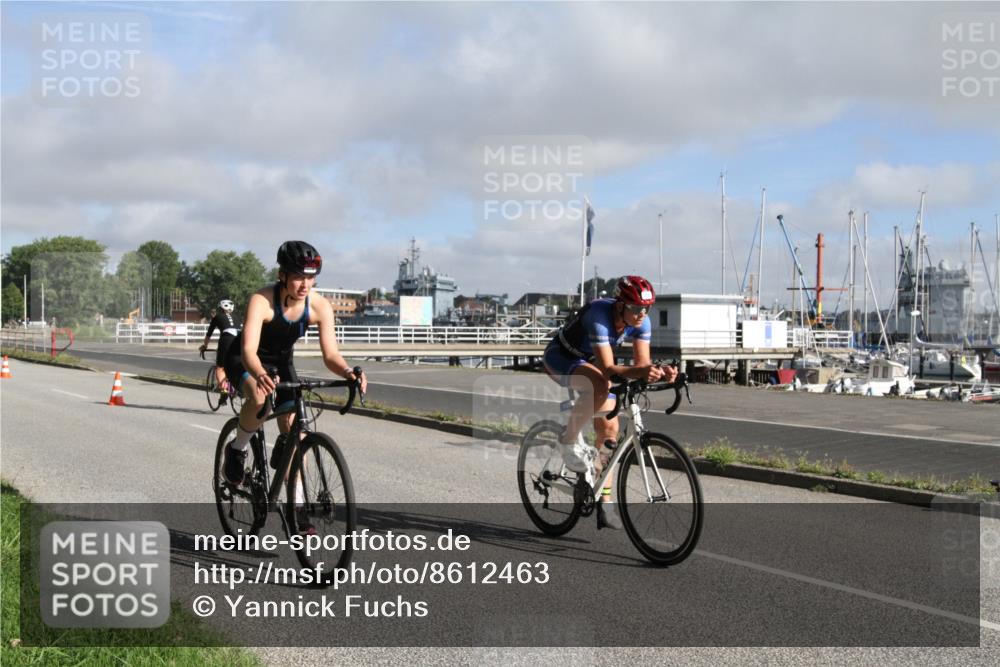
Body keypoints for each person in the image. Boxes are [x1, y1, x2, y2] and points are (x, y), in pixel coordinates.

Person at [221, 241, 366, 530]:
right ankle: (237, 449)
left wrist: (349, 372)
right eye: (299, 276)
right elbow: (249, 350)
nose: (305, 284)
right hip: (246, 359)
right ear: (283, 275)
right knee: (259, 399)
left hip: (282, 362)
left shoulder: (320, 305)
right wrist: (259, 374)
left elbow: (331, 355)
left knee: (297, 435)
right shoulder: (262, 300)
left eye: (311, 277)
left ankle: (296, 506)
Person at [542, 275, 676, 530]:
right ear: (619, 305)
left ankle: (604, 500)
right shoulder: (599, 315)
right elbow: (608, 368)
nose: (641, 314)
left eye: (646, 308)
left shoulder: (641, 322)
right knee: (600, 385)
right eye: (636, 308)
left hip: (588, 362)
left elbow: (641, 365)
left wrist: (662, 371)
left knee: (610, 430)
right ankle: (567, 440)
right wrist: (641, 371)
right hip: (560, 358)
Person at [200, 299, 241, 404]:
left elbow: (209, 334)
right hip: (239, 340)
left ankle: (224, 391)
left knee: (221, 368)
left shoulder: (217, 317)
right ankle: (239, 388)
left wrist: (204, 346)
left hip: (226, 340)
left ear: (221, 308)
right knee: (236, 365)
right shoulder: (237, 317)